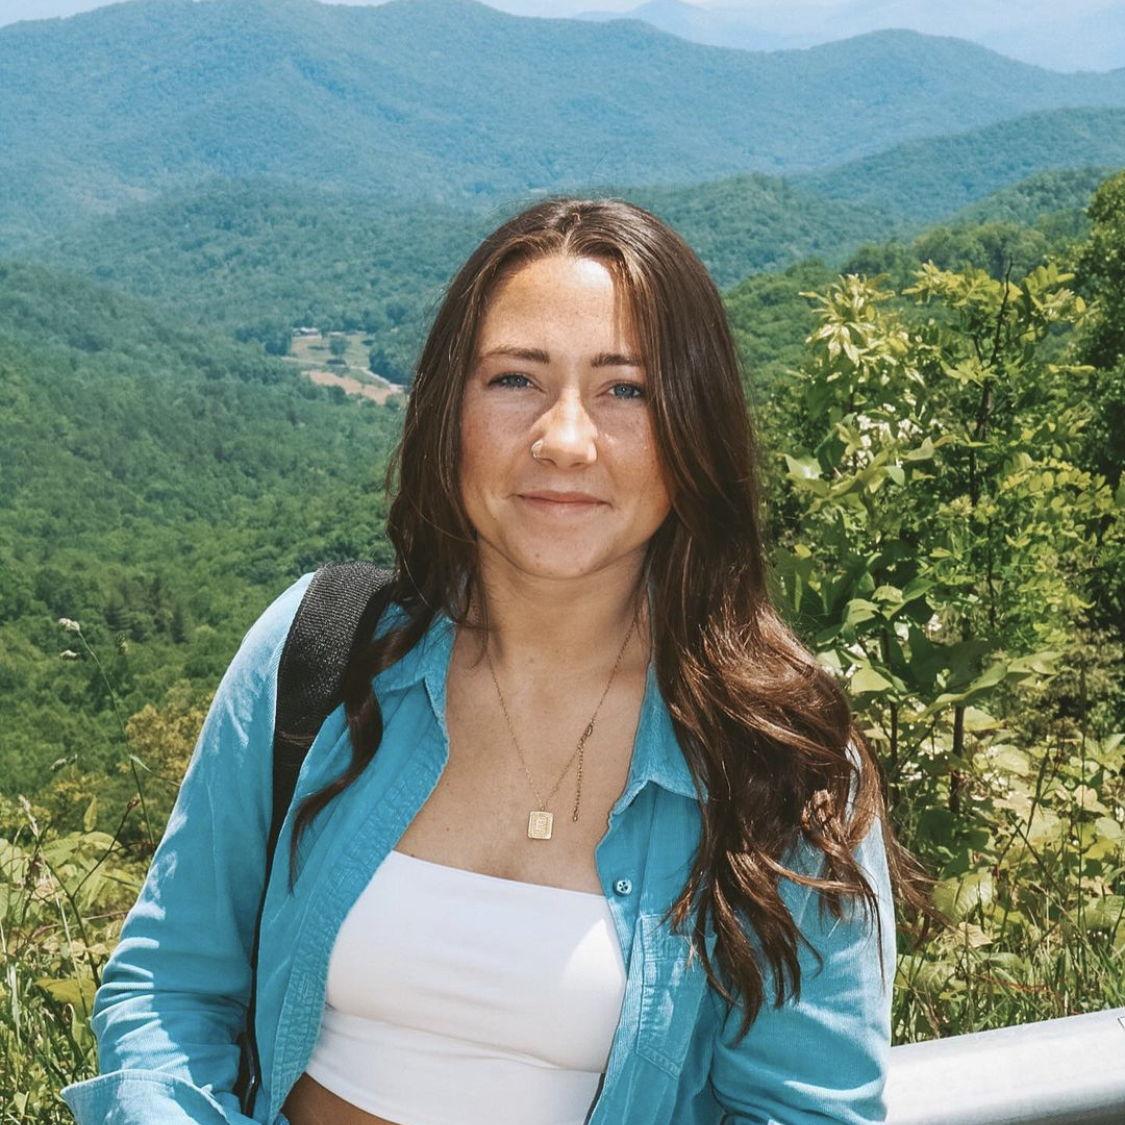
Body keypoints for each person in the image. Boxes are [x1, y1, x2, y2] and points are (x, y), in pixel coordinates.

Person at [61, 197, 937, 1125]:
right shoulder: (322, 653)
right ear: (449, 412)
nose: (564, 440)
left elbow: (802, 1108)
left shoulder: (774, 760)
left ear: (695, 431)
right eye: (515, 379)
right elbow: (171, 988)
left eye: (626, 390)